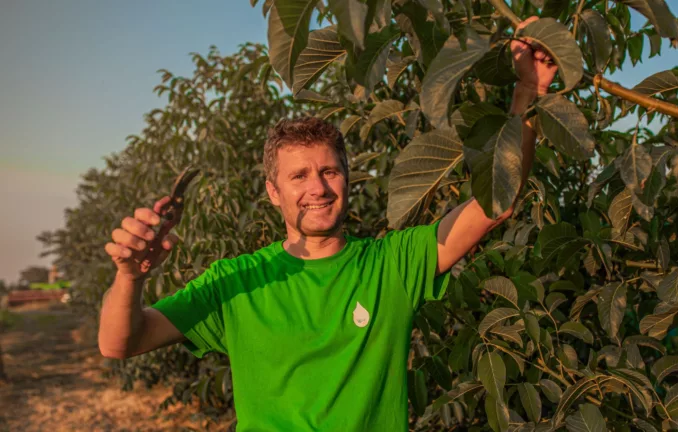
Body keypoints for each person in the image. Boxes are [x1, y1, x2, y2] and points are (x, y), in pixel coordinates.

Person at [99, 16, 556, 432]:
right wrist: (128, 276)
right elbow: (121, 343)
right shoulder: (234, 282)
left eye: (329, 171)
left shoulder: (392, 264)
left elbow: (494, 204)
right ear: (273, 192)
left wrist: (527, 93)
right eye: (298, 176)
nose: (317, 188)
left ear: (347, 179)